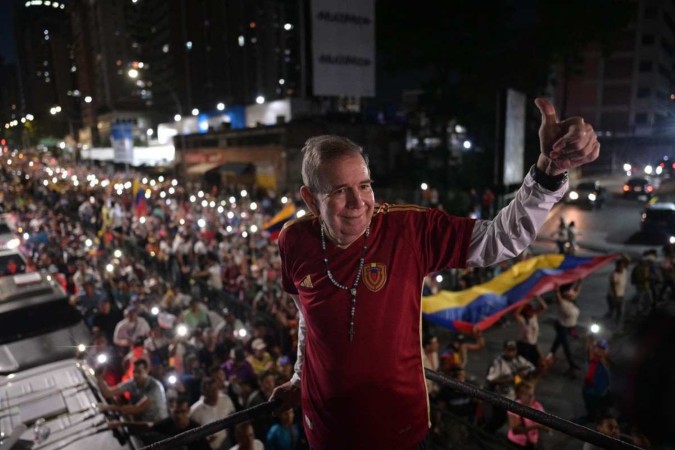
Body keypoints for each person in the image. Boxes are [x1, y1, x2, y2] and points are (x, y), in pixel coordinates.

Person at [271, 98, 599, 450]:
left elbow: (500, 240)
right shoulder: (293, 240)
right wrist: (298, 375)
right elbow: (306, 316)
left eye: (364, 185)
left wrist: (548, 172)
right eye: (339, 191)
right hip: (325, 431)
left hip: (401, 432)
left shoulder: (409, 228)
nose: (358, 202)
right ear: (310, 199)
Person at [97, 359, 169, 423]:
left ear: (147, 371)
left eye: (139, 372)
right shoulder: (132, 383)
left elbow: (136, 409)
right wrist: (99, 377)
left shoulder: (155, 387)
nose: (135, 375)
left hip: (158, 426)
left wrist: (108, 407)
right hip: (141, 424)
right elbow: (108, 393)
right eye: (134, 372)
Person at [190, 376, 236, 450]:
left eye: (215, 389)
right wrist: (205, 439)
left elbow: (234, 419)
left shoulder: (226, 400)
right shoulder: (195, 411)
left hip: (227, 444)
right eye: (210, 391)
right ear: (204, 392)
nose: (213, 393)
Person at [547, 282, 582, 377]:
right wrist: (557, 288)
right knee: (566, 347)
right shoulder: (562, 303)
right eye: (569, 293)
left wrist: (580, 280)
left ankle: (549, 356)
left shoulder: (572, 301)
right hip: (562, 327)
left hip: (569, 327)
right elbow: (557, 294)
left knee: (557, 343)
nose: (572, 294)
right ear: (564, 295)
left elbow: (577, 290)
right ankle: (572, 364)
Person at [507, 381, 548, 449]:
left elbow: (545, 420)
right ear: (519, 395)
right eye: (527, 394)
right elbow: (515, 431)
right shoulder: (514, 408)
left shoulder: (537, 405)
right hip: (516, 442)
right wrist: (535, 426)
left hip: (532, 441)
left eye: (532, 394)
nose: (531, 397)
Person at [582, 339, 612, 422]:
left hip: (600, 393)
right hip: (590, 392)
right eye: (598, 348)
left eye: (603, 349)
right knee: (592, 415)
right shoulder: (593, 360)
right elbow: (588, 349)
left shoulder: (606, 363)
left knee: (600, 413)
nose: (600, 351)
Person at [514, 296, 547, 369]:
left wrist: (537, 297)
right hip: (523, 345)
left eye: (532, 310)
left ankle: (529, 376)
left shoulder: (534, 317)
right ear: (525, 312)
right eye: (530, 311)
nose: (532, 312)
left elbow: (544, 307)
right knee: (524, 365)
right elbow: (516, 313)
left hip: (533, 344)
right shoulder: (522, 320)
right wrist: (524, 302)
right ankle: (518, 379)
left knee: (536, 363)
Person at [605, 259, 628, 324]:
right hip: (612, 296)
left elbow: (628, 262)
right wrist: (616, 297)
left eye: (622, 266)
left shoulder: (624, 271)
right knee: (612, 311)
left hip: (621, 295)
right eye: (620, 266)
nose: (621, 268)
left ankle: (616, 323)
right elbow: (613, 287)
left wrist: (625, 257)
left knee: (620, 311)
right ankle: (605, 321)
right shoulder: (614, 274)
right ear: (617, 266)